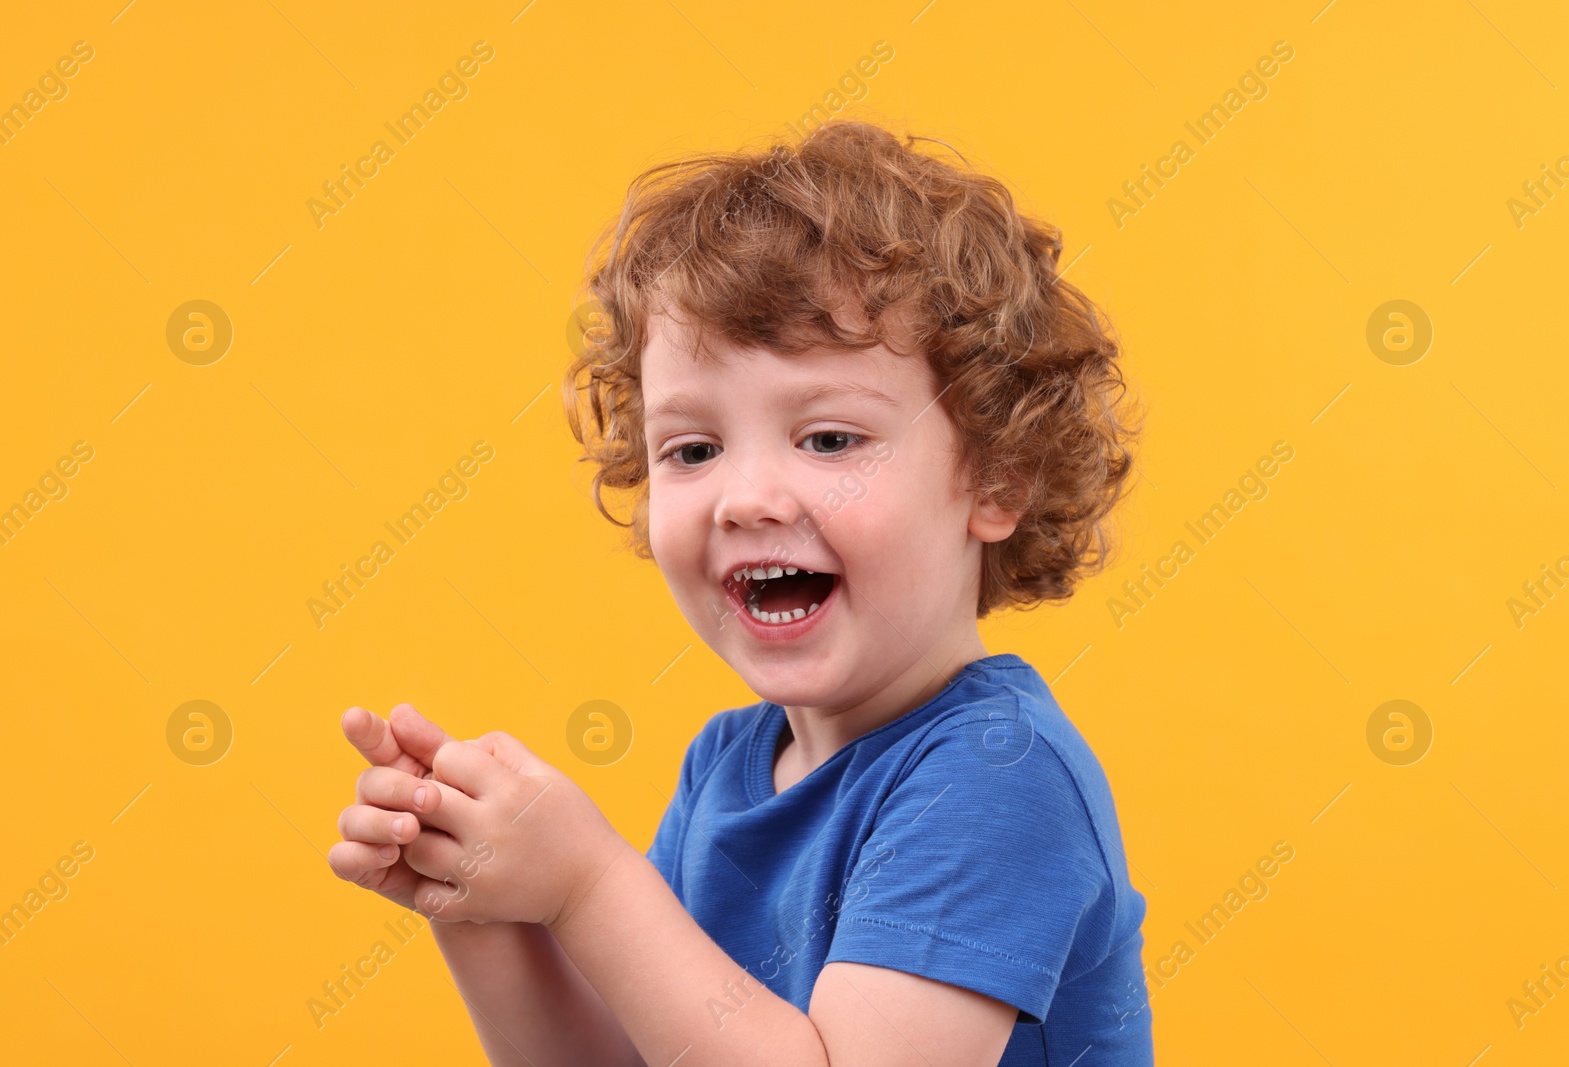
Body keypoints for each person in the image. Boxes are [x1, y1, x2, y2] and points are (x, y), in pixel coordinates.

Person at [328, 118, 1150, 1066]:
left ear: (997, 479)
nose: (747, 498)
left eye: (830, 438)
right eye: (694, 449)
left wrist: (589, 886)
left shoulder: (999, 776)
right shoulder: (727, 767)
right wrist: (480, 899)